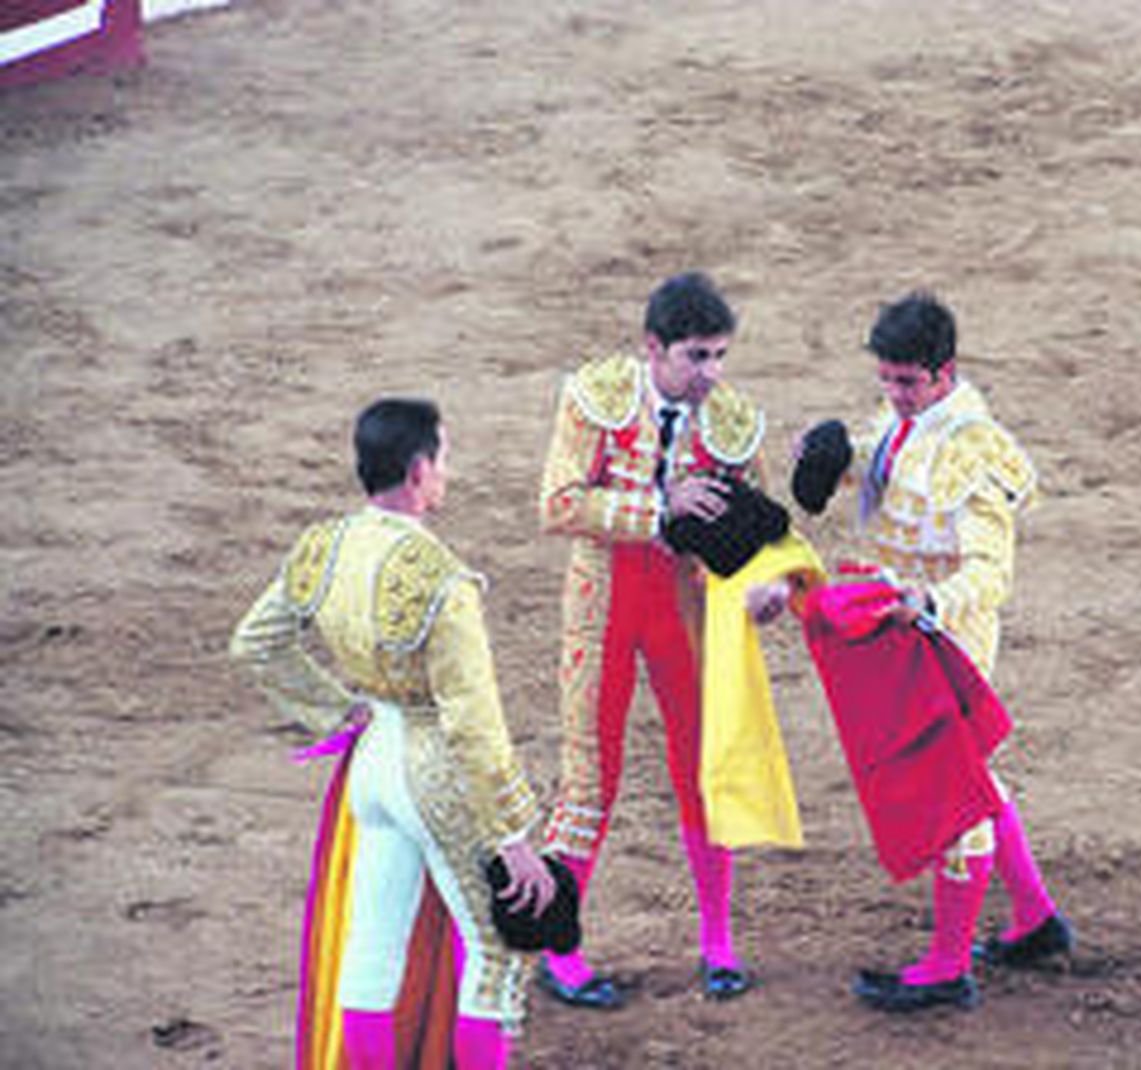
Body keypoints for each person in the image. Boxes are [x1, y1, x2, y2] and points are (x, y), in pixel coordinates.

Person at [231, 398, 556, 1069]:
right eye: (444, 458)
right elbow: (473, 723)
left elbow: (256, 644)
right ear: (417, 470)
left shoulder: (323, 547)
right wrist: (512, 837)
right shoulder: (443, 582)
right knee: (496, 955)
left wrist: (339, 710)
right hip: (431, 769)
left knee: (372, 953)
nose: (447, 472)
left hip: (370, 764)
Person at [826, 292, 1074, 1012]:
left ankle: (946, 966)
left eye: (908, 382)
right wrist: (839, 458)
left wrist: (928, 605)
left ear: (945, 373)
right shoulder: (906, 418)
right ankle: (1034, 920)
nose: (895, 395)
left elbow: (990, 575)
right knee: (971, 778)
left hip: (949, 639)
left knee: (953, 796)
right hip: (908, 627)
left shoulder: (974, 451)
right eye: (888, 380)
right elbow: (890, 467)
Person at [537, 271, 772, 1007]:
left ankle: (718, 944)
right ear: (653, 348)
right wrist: (661, 509)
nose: (711, 374)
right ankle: (559, 950)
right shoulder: (596, 398)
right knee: (589, 778)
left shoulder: (731, 421)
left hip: (686, 606)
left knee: (705, 769)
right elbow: (559, 503)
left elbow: (761, 529)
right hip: (605, 597)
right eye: (697, 357)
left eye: (720, 356)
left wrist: (765, 584)